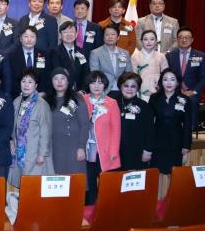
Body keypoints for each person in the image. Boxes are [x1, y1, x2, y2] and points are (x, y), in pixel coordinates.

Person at [9, 68, 54, 187]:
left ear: (36, 85)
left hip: (34, 153)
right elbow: (13, 125)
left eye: (30, 82)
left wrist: (42, 154)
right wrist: (11, 141)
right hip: (19, 151)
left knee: (33, 186)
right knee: (23, 184)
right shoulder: (17, 101)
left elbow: (46, 131)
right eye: (23, 81)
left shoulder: (41, 104)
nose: (26, 85)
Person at [83, 71, 121, 204]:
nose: (96, 86)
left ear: (105, 85)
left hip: (105, 151)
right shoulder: (82, 100)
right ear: (88, 85)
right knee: (89, 185)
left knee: (106, 187)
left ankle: (104, 211)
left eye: (100, 83)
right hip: (86, 151)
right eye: (93, 82)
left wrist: (113, 151)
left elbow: (116, 129)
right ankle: (89, 210)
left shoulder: (111, 103)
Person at [45, 68, 90, 175]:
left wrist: (81, 147)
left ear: (68, 81)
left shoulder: (76, 98)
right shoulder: (46, 100)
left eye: (63, 78)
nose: (59, 82)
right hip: (54, 147)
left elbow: (85, 124)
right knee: (57, 179)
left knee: (75, 179)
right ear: (51, 82)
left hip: (73, 147)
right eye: (56, 79)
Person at [149, 68, 192, 181]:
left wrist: (186, 146)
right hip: (157, 141)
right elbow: (149, 123)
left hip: (176, 141)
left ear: (177, 82)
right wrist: (148, 145)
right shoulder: (154, 98)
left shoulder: (184, 99)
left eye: (172, 79)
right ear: (161, 82)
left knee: (174, 175)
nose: (168, 83)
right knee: (155, 174)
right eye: (165, 79)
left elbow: (187, 124)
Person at [165, 26, 205, 129]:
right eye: (181, 37)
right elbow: (166, 75)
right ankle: (174, 129)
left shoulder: (200, 56)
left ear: (192, 39)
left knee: (192, 101)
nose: (184, 40)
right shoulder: (170, 56)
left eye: (187, 37)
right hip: (174, 91)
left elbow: (204, 77)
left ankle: (190, 129)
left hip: (192, 92)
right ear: (177, 39)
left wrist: (194, 91)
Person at [113, 72, 154, 171]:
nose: (129, 89)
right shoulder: (112, 103)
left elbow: (150, 130)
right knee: (115, 179)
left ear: (138, 88)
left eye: (133, 86)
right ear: (120, 86)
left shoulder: (144, 106)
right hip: (115, 152)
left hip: (136, 152)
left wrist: (148, 151)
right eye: (126, 85)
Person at [5, 26, 51, 98]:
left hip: (39, 96)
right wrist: (22, 94)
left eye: (32, 36)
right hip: (18, 96)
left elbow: (46, 77)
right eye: (26, 36)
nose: (29, 39)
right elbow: (10, 79)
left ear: (36, 38)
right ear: (20, 39)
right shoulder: (12, 56)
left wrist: (41, 93)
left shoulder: (43, 55)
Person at [89, 25, 132, 97]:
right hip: (104, 91)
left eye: (113, 34)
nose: (110, 37)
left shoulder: (124, 53)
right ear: (103, 38)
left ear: (118, 37)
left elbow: (129, 72)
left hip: (122, 90)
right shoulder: (95, 53)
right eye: (107, 34)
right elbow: (95, 74)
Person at [50, 21, 89, 91]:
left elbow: (86, 73)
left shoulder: (82, 52)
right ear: (60, 35)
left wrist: (82, 90)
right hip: (62, 91)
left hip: (80, 92)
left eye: (71, 32)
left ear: (76, 34)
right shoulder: (54, 52)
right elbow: (57, 73)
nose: (69, 35)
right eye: (65, 32)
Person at [131, 30, 169, 101]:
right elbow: (133, 75)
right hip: (140, 91)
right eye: (145, 39)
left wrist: (160, 86)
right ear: (141, 41)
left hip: (157, 91)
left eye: (152, 39)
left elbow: (166, 74)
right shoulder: (135, 56)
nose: (149, 42)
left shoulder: (161, 56)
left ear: (156, 41)